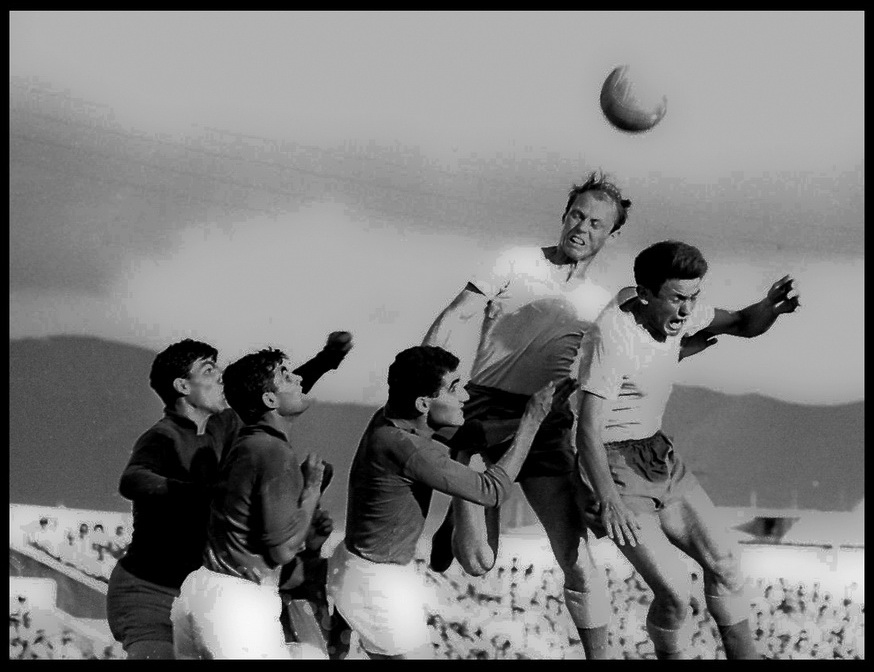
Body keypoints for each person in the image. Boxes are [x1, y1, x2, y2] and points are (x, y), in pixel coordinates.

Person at [422, 172, 634, 659]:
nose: (582, 227)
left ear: (611, 235)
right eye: (577, 215)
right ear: (564, 215)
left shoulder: (603, 303)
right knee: (478, 563)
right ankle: (462, 504)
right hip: (483, 412)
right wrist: (424, 381)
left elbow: (620, 367)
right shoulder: (515, 260)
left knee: (578, 559)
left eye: (596, 223)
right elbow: (457, 314)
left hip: (547, 425)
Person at [575, 240, 800, 660]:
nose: (686, 310)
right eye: (678, 298)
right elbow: (587, 429)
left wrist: (769, 306)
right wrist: (608, 501)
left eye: (693, 297)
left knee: (727, 562)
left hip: (657, 453)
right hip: (612, 463)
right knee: (677, 593)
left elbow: (743, 325)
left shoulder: (682, 308)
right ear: (645, 294)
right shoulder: (610, 336)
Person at [106, 332, 352, 659]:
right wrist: (210, 494)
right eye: (208, 370)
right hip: (148, 592)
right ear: (182, 387)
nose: (220, 376)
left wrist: (326, 360)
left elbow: (270, 392)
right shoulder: (162, 437)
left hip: (197, 586)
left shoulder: (224, 425)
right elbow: (133, 480)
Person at [326, 345, 556, 659]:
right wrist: (530, 422)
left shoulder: (386, 422)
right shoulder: (409, 448)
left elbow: (463, 439)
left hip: (359, 570)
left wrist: (524, 421)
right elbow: (492, 490)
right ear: (423, 403)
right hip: (377, 583)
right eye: (454, 389)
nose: (465, 397)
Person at [170, 348, 331, 659]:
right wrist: (311, 489)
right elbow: (281, 550)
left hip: (204, 593)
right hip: (236, 604)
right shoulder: (273, 451)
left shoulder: (249, 445)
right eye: (285, 375)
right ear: (270, 400)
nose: (297, 378)